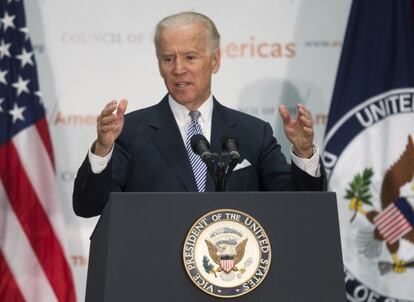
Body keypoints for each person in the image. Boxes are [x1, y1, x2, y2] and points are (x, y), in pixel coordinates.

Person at [73, 11, 326, 218]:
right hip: (155, 274)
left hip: (234, 274)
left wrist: (304, 154)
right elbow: (89, 207)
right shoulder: (130, 132)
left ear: (214, 61)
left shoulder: (253, 133)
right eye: (168, 59)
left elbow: (299, 210)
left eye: (190, 57)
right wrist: (102, 149)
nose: (178, 69)